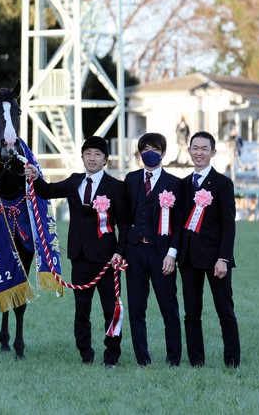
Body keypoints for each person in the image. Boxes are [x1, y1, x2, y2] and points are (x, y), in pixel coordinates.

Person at [24, 136, 126, 368]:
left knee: (111, 309)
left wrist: (120, 252)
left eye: (97, 154)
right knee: (82, 310)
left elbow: (125, 224)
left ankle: (112, 355)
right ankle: (85, 353)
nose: (92, 158)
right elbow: (47, 191)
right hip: (79, 257)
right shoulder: (74, 181)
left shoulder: (116, 187)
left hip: (107, 260)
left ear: (106, 160)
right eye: (88, 153)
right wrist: (35, 176)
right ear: (82, 157)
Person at [117, 133, 182, 367]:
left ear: (163, 152)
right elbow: (124, 219)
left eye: (154, 148)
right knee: (136, 307)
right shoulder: (131, 179)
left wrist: (172, 254)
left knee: (169, 308)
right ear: (139, 152)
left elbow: (179, 223)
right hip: (135, 252)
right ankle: (142, 358)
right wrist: (122, 250)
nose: (149, 152)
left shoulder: (175, 183)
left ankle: (173, 358)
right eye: (144, 148)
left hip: (162, 254)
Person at [178, 131, 240, 368]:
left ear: (213, 152)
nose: (199, 152)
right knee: (192, 314)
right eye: (195, 148)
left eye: (204, 148)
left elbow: (228, 224)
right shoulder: (183, 185)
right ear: (189, 150)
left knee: (225, 311)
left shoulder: (223, 184)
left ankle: (232, 361)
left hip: (216, 260)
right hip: (189, 259)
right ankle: (196, 361)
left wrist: (223, 258)